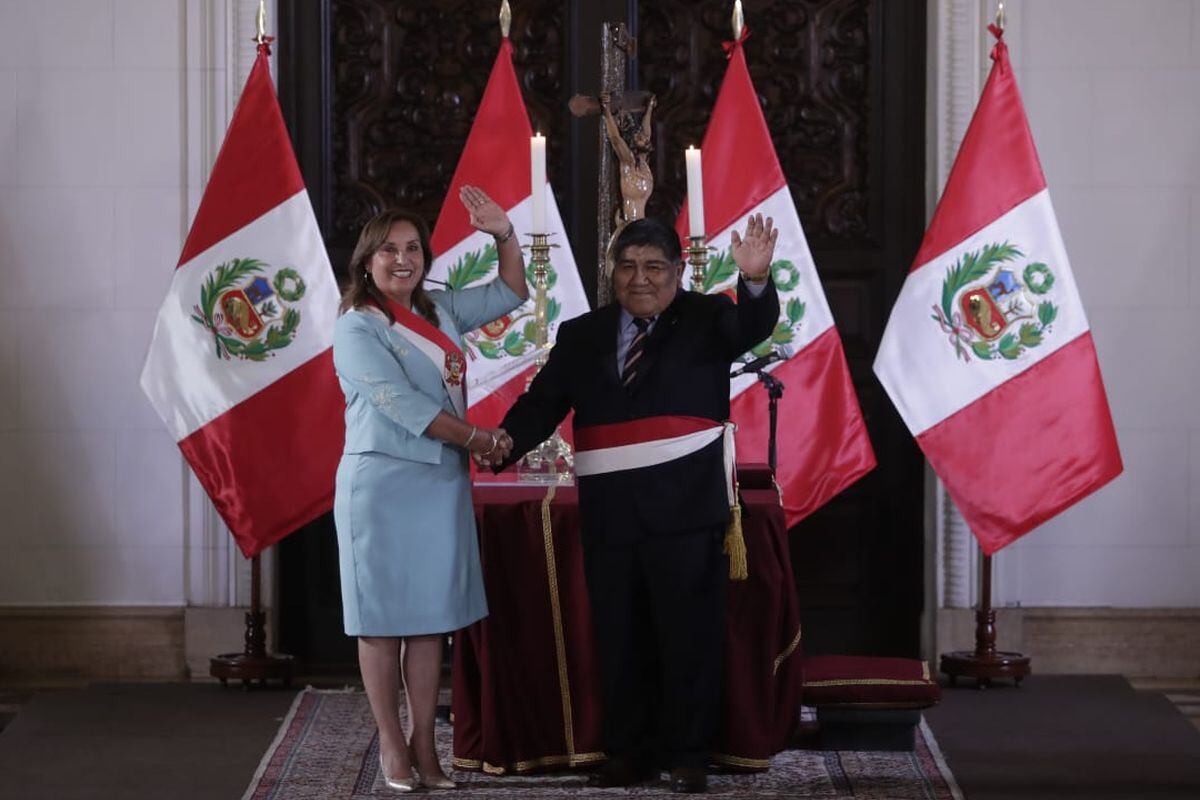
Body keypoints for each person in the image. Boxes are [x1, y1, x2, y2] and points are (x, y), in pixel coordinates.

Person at [484, 215, 779, 794]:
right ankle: (628, 753)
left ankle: (689, 754)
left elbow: (754, 323)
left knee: (688, 638)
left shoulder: (708, 318)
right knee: (619, 640)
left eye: (653, 267)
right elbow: (542, 403)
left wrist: (756, 278)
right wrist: (495, 444)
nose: (638, 279)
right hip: (612, 515)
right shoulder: (582, 334)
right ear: (610, 271)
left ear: (679, 271)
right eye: (626, 266)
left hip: (687, 514)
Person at [332, 186, 523, 792]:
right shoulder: (357, 327)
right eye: (388, 250)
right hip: (382, 485)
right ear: (367, 261)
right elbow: (401, 404)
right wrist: (479, 439)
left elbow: (512, 291)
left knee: (429, 622)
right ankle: (391, 743)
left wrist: (504, 234)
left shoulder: (439, 310)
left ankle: (425, 743)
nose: (402, 259)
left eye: (413, 248)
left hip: (439, 481)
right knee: (383, 621)